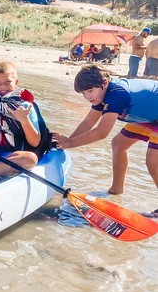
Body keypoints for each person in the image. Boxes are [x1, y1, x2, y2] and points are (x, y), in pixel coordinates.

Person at [52, 64, 158, 204]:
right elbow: (88, 123)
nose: (87, 97)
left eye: (90, 91)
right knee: (118, 144)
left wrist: (70, 143)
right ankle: (116, 190)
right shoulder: (101, 97)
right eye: (83, 93)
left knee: (152, 160)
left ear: (105, 83)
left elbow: (102, 132)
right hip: (149, 117)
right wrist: (67, 142)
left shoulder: (117, 94)